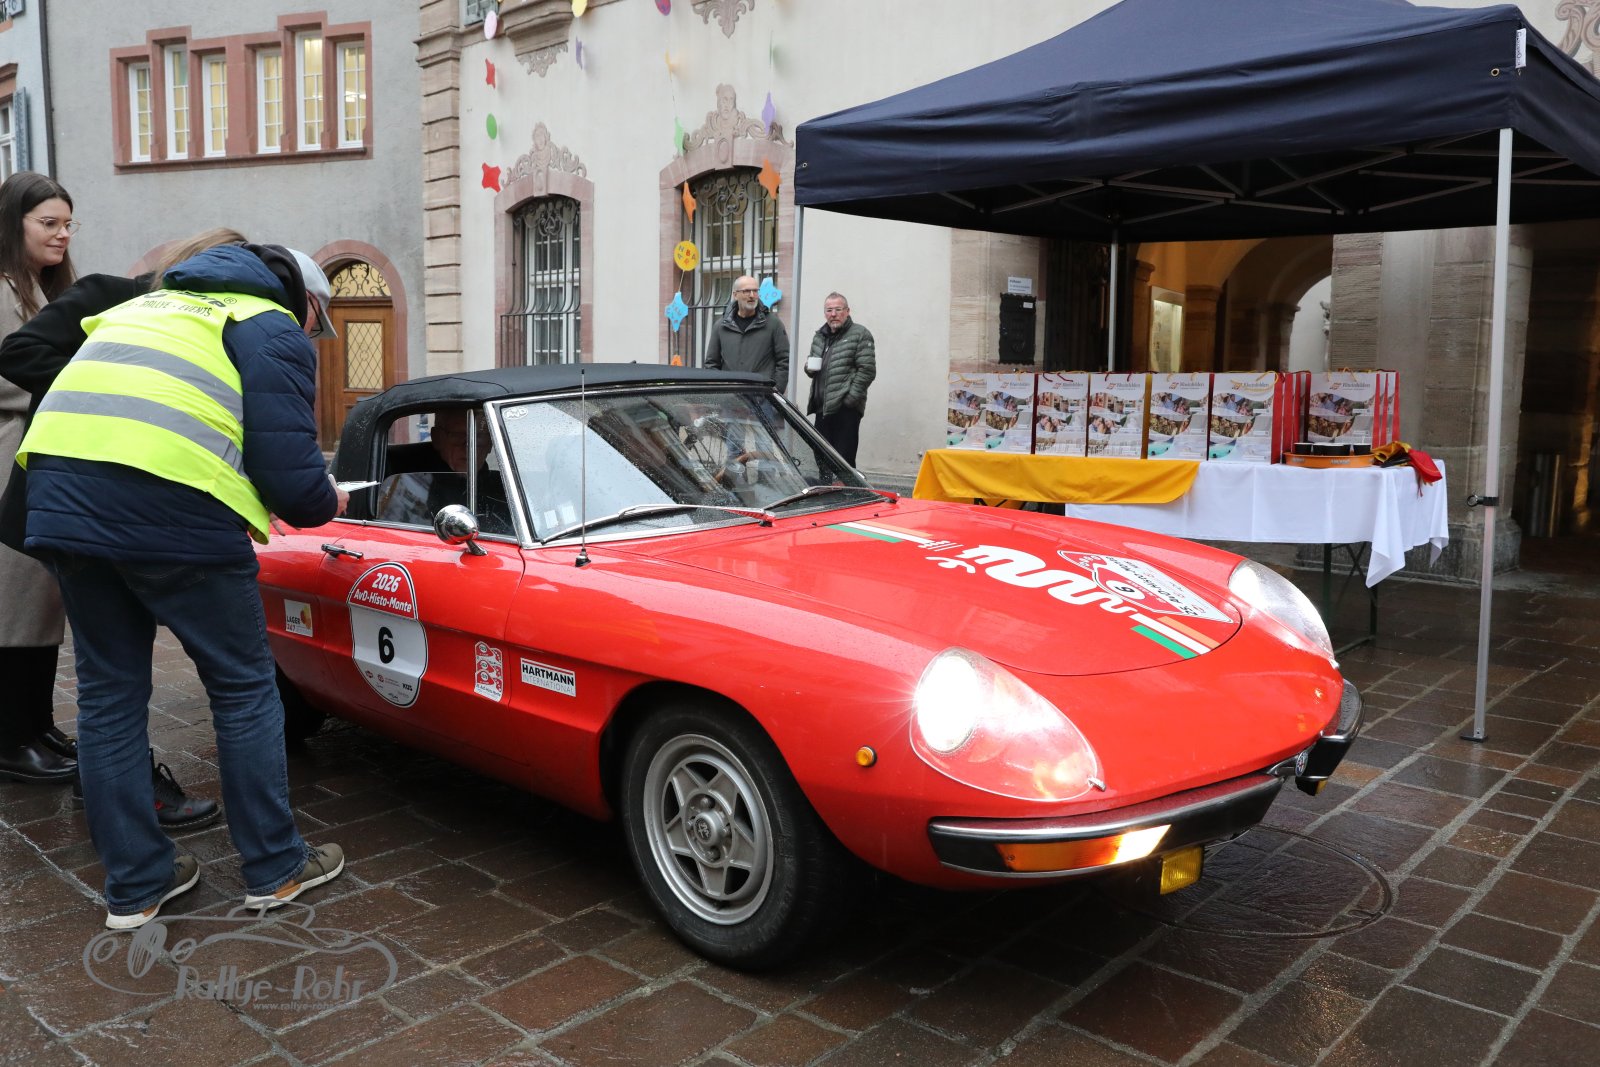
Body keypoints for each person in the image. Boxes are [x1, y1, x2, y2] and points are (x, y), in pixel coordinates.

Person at [16, 241, 347, 929]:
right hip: (172, 508)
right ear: (306, 303)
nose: (312, 335)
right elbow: (292, 480)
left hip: (60, 504)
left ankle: (138, 883)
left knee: (107, 696)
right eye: (318, 324)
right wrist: (329, 498)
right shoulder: (269, 324)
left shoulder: (146, 307)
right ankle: (276, 866)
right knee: (242, 685)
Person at [1, 226, 253, 827]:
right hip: (81, 498)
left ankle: (111, 800)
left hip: (134, 507)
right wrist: (112, 379)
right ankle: (121, 795)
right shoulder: (111, 295)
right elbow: (18, 353)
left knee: (108, 674)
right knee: (112, 672)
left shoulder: (217, 323)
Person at [0, 173, 79, 785]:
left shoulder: (37, 287)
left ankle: (36, 722)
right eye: (48, 223)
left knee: (42, 597)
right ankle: (10, 738)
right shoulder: (3, 289)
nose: (61, 234)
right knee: (13, 602)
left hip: (38, 450)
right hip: (8, 453)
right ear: (13, 224)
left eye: (67, 224)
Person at [803, 292, 876, 467]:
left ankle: (846, 486)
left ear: (847, 311)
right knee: (822, 459)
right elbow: (812, 365)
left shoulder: (860, 334)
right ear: (825, 313)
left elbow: (867, 370)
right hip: (822, 408)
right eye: (829, 310)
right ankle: (826, 484)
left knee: (844, 461)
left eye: (838, 309)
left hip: (845, 410)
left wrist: (849, 400)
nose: (833, 314)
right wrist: (808, 367)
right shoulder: (820, 336)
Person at [704, 275, 789, 390]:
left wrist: (775, 390)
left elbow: (784, 361)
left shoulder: (773, 324)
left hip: (762, 395)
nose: (752, 295)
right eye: (747, 291)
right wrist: (720, 392)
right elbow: (711, 364)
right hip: (730, 396)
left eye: (755, 291)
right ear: (735, 295)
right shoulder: (721, 326)